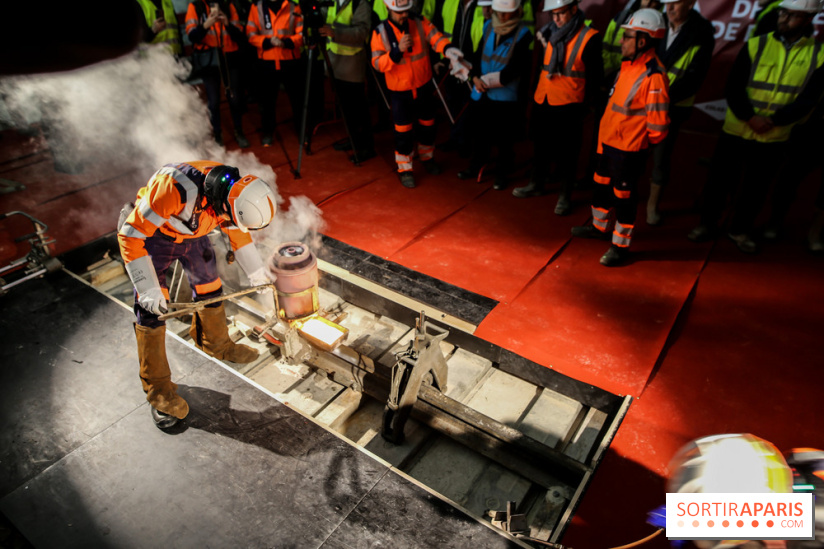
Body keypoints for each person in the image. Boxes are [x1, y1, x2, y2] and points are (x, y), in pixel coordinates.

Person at [117, 161, 277, 429]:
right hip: (152, 239)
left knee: (210, 287)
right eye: (229, 217)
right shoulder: (175, 189)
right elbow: (130, 236)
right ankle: (159, 393)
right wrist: (148, 288)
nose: (229, 223)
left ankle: (215, 345)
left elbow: (238, 235)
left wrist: (257, 273)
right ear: (222, 203)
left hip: (193, 234)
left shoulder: (233, 195)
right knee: (151, 314)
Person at [687, 0, 824, 253]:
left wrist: (774, 121)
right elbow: (734, 87)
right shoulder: (756, 44)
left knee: (755, 189)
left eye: (791, 15)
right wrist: (750, 117)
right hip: (737, 129)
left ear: (808, 19)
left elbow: (810, 99)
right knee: (719, 182)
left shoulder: (820, 54)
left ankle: (739, 230)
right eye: (782, 12)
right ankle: (706, 225)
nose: (782, 18)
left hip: (775, 136)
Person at [570, 8, 669, 266]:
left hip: (628, 151)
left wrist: (635, 144)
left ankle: (619, 247)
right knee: (601, 186)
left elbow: (658, 129)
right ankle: (599, 228)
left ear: (643, 40)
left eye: (627, 36)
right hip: (608, 144)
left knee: (624, 199)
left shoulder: (654, 75)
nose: (621, 41)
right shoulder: (627, 66)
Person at [512, 0, 602, 215]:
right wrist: (534, 95)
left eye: (560, 13)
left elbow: (595, 76)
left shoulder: (590, 37)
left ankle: (565, 195)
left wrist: (586, 106)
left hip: (570, 104)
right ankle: (537, 183)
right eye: (553, 14)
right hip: (544, 98)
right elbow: (543, 66)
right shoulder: (549, 32)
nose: (556, 19)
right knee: (540, 146)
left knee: (568, 153)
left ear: (573, 9)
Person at [371, 0, 470, 188]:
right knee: (403, 132)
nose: (403, 15)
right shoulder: (380, 33)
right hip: (400, 92)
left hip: (423, 85)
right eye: (399, 12)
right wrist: (395, 52)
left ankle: (427, 158)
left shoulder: (419, 22)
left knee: (428, 125)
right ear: (388, 9)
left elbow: (436, 37)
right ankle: (405, 169)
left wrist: (448, 49)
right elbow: (377, 63)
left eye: (405, 11)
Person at [645, 0, 714, 225]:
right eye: (667, 3)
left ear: (691, 2)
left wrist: (660, 100)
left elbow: (694, 79)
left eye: (675, 3)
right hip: (641, 103)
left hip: (671, 108)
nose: (670, 8)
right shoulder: (655, 22)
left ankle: (652, 206)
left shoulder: (702, 32)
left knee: (661, 158)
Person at [458, 0, 532, 190]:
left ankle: (502, 173)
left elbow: (517, 68)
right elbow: (477, 55)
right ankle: (476, 165)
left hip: (506, 96)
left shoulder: (524, 35)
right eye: (499, 12)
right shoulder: (488, 26)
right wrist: (473, 77)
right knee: (479, 132)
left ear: (517, 12)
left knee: (504, 138)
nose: (502, 16)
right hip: (481, 92)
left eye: (506, 13)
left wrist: (487, 81)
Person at [318, 0, 377, 162]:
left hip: (352, 64)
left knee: (358, 108)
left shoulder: (360, 4)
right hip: (335, 61)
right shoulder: (331, 2)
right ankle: (353, 140)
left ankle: (366, 147)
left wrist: (335, 33)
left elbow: (361, 33)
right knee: (345, 107)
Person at [187, 0, 250, 147]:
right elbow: (192, 36)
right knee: (213, 101)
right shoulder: (195, 7)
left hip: (229, 59)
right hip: (209, 60)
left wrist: (227, 23)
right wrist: (206, 24)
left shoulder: (229, 5)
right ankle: (217, 133)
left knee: (234, 98)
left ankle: (239, 130)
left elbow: (240, 37)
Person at [246, 0, 305, 146]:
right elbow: (250, 34)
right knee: (267, 101)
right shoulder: (256, 7)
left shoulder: (293, 6)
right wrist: (268, 41)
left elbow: (302, 34)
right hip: (266, 61)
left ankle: (303, 133)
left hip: (290, 60)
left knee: (298, 100)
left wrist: (285, 42)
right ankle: (268, 133)